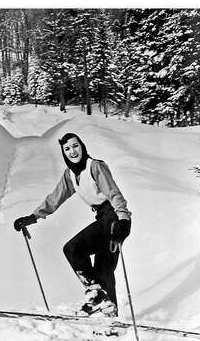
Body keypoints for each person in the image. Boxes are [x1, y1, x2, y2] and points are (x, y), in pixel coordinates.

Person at [14, 133, 131, 317]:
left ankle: (98, 298)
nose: (72, 151)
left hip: (113, 219)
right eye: (67, 149)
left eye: (75, 146)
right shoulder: (70, 175)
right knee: (102, 271)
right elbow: (55, 198)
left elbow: (114, 194)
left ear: (82, 146)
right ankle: (106, 312)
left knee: (74, 249)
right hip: (102, 218)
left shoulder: (95, 166)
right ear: (63, 153)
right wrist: (33, 217)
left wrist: (123, 220)